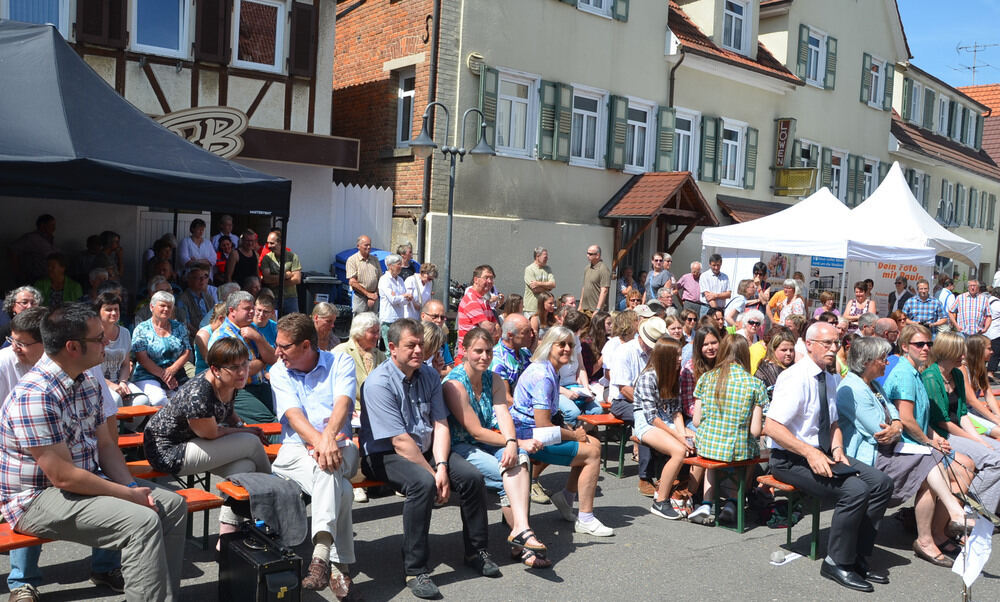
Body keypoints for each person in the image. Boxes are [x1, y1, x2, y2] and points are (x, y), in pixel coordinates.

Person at [0, 304, 186, 601]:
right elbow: (62, 477)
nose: (108, 343)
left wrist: (131, 486)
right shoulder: (34, 395)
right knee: (141, 520)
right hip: (35, 498)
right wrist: (128, 496)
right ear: (73, 347)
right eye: (99, 339)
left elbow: (107, 445)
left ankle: (166, 596)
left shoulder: (86, 381)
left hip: (81, 481)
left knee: (173, 505)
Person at [359, 319, 500, 599]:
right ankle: (415, 569)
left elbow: (440, 424)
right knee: (423, 483)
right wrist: (435, 475)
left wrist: (444, 466)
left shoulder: (430, 376)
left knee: (472, 478)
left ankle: (476, 551)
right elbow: (399, 441)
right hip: (384, 454)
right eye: (410, 345)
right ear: (392, 348)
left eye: (421, 344)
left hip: (425, 449)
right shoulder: (378, 383)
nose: (418, 350)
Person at [765, 322, 894, 592]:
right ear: (809, 344)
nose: (833, 348)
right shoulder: (795, 378)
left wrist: (838, 451)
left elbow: (833, 423)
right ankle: (837, 561)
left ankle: (858, 555)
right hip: (790, 458)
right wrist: (810, 452)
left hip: (823, 451)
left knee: (881, 483)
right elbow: (772, 427)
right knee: (855, 490)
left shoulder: (831, 377)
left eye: (836, 343)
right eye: (827, 343)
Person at [837, 335, 974, 567]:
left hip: (889, 447)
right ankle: (944, 522)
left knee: (939, 463)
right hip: (868, 456)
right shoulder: (852, 388)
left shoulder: (874, 384)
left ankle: (933, 534)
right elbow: (877, 429)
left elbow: (894, 414)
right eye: (882, 358)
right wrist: (896, 426)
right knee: (931, 462)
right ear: (868, 361)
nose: (887, 362)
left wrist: (896, 425)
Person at [270, 313, 364, 599]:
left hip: (340, 445)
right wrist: (319, 443)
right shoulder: (279, 370)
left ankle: (320, 554)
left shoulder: (340, 361)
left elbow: (342, 405)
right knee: (342, 489)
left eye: (284, 346)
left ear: (306, 345)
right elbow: (294, 416)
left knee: (328, 468)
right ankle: (336, 564)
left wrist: (327, 440)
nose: (277, 352)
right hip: (295, 451)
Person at [143, 337, 270, 544]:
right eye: (234, 367)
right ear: (216, 369)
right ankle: (273, 503)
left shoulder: (230, 381)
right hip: (169, 451)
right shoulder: (199, 393)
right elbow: (211, 434)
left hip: (196, 442)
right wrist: (244, 434)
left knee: (243, 466)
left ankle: (227, 536)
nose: (242, 371)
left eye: (245, 364)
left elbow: (229, 413)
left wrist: (241, 427)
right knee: (251, 443)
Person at [443, 328, 551, 568]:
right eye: (478, 351)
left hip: (488, 441)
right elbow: (474, 431)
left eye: (489, 351)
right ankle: (524, 542)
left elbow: (503, 413)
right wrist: (512, 442)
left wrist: (513, 443)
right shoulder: (454, 384)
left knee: (520, 459)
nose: (484, 356)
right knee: (506, 472)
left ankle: (520, 533)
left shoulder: (493, 379)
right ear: (464, 352)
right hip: (460, 446)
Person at [510, 327, 612, 536]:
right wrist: (574, 435)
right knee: (592, 453)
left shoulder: (547, 369)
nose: (567, 349)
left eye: (571, 345)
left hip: (529, 431)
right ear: (549, 346)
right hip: (529, 437)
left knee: (593, 444)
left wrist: (571, 431)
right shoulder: (544, 376)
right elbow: (543, 425)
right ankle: (585, 517)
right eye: (561, 344)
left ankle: (566, 497)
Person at [921, 332, 1000, 514]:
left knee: (993, 450)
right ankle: (975, 512)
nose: (964, 357)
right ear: (948, 352)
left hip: (958, 429)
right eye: (960, 353)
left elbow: (963, 413)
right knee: (995, 460)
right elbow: (942, 422)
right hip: (943, 433)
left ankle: (982, 506)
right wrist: (976, 440)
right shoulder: (931, 378)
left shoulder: (956, 374)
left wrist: (977, 438)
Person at [691, 334, 766, 523]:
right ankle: (733, 500)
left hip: (708, 445)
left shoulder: (706, 378)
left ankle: (707, 504)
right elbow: (755, 431)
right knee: (751, 452)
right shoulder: (755, 384)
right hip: (738, 449)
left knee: (712, 454)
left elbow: (697, 421)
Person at [633, 336, 695, 519]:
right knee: (678, 450)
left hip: (665, 418)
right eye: (676, 355)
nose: (680, 358)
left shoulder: (674, 375)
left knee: (698, 440)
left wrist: (683, 433)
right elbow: (651, 417)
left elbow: (676, 412)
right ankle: (660, 501)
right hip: (645, 421)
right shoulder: (648, 377)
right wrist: (678, 436)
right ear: (665, 357)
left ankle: (688, 492)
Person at [609, 317, 667, 496]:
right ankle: (645, 476)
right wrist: (650, 406)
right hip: (623, 401)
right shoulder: (624, 352)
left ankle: (668, 474)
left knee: (668, 420)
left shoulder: (655, 352)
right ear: (641, 337)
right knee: (647, 422)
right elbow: (623, 388)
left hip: (650, 400)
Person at [208, 291, 277, 422]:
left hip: (260, 385)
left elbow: (273, 359)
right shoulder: (223, 336)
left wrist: (258, 339)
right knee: (269, 422)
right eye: (247, 309)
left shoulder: (252, 329)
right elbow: (242, 371)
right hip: (237, 391)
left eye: (253, 308)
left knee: (285, 414)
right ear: (232, 310)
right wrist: (263, 360)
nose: (252, 312)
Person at [130, 291, 191, 406]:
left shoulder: (179, 327)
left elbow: (187, 350)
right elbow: (141, 358)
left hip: (176, 373)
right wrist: (165, 376)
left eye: (169, 306)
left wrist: (173, 369)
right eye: (162, 305)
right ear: (152, 307)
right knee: (159, 400)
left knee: (185, 400)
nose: (166, 309)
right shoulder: (142, 329)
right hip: (148, 374)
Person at [93, 293, 148, 408]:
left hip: (119, 381)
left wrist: (123, 382)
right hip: (97, 383)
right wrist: (111, 385)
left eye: (116, 309)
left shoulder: (125, 333)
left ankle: (127, 426)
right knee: (115, 399)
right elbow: (91, 370)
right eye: (108, 309)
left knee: (142, 400)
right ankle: (115, 426)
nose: (113, 313)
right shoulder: (92, 335)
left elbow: (125, 364)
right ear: (98, 312)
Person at [456, 265, 500, 362]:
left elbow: (497, 329)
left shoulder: (483, 300)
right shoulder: (471, 299)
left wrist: (493, 328)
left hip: (480, 355)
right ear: (476, 280)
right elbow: (487, 327)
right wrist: (493, 329)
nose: (489, 281)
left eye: (491, 278)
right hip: (468, 358)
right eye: (486, 278)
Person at [490, 313, 534, 406]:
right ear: (510, 335)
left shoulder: (525, 353)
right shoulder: (498, 359)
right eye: (526, 332)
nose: (531, 335)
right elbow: (506, 399)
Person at [260, 231, 303, 315]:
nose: (269, 246)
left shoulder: (293, 257)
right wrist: (285, 275)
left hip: (291, 297)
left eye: (272, 243)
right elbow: (266, 279)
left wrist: (275, 283)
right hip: (274, 297)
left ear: (280, 242)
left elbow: (297, 279)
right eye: (268, 243)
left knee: (293, 323)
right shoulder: (267, 258)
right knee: (274, 323)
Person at [10, 214, 57, 285]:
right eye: (52, 225)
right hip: (32, 280)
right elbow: (12, 250)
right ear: (42, 225)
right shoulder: (31, 238)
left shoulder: (49, 239)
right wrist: (18, 272)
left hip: (46, 280)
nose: (54, 228)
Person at [754, 328, 796, 402]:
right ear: (773, 350)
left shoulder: (794, 368)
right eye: (784, 350)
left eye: (791, 350)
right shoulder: (765, 370)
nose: (789, 353)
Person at [378, 254, 411, 347]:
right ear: (390, 266)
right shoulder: (384, 280)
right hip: (388, 319)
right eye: (398, 264)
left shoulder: (400, 280)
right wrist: (403, 296)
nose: (401, 266)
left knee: (399, 346)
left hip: (399, 318)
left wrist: (404, 297)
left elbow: (405, 300)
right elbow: (393, 299)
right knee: (390, 348)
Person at [176, 266, 216, 338]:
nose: (202, 280)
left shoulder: (208, 297)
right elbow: (186, 323)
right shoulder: (182, 299)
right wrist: (202, 336)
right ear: (189, 280)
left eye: (204, 277)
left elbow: (215, 316)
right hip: (194, 338)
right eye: (197, 277)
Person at [346, 235, 382, 315]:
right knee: (359, 324)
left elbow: (380, 279)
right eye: (366, 245)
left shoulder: (375, 260)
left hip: (374, 298)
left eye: (370, 245)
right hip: (360, 298)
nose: (368, 247)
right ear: (358, 246)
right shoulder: (352, 260)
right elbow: (352, 282)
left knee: (373, 323)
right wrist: (368, 294)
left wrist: (374, 295)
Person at [420, 299, 455, 368]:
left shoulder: (442, 344)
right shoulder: (414, 338)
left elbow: (450, 369)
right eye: (435, 316)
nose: (439, 320)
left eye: (442, 318)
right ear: (423, 316)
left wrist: (436, 371)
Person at [194, 302, 227, 375]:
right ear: (221, 318)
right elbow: (209, 360)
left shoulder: (225, 332)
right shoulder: (203, 334)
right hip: (205, 374)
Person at [523, 247, 556, 317]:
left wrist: (538, 283)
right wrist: (548, 289)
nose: (547, 259)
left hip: (545, 309)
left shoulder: (548, 269)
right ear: (537, 256)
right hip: (532, 308)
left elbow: (553, 284)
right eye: (545, 257)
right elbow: (535, 289)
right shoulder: (529, 269)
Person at [578, 245, 611, 313]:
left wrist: (598, 309)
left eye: (590, 254)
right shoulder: (587, 268)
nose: (587, 255)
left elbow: (604, 290)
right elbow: (584, 287)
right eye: (587, 253)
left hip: (595, 310)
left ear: (597, 255)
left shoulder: (603, 269)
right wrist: (580, 305)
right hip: (584, 308)